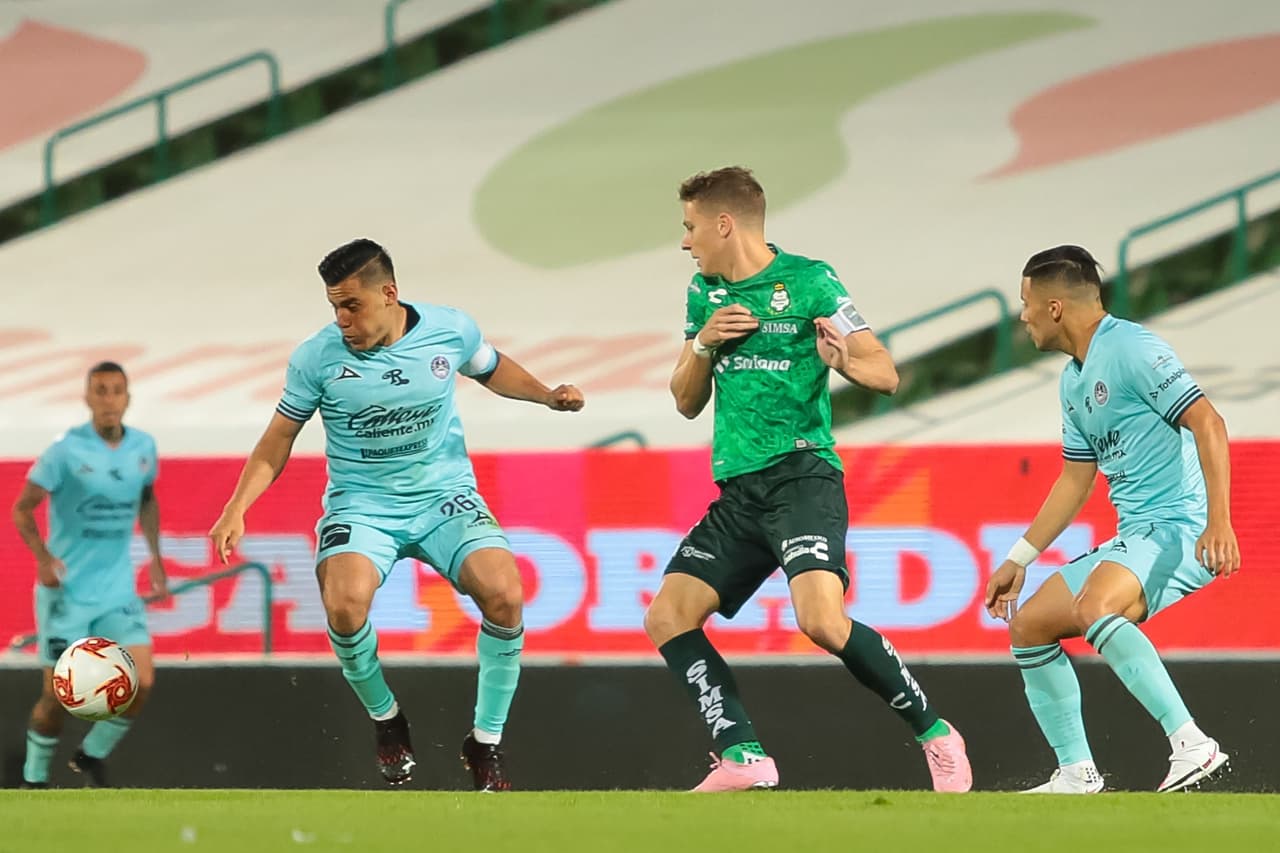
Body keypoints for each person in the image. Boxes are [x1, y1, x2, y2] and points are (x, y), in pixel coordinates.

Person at [208, 238, 583, 790]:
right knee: (344, 604)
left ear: (389, 294)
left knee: (505, 594)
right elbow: (277, 439)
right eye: (333, 307)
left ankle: (485, 745)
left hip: (444, 497)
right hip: (363, 505)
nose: (341, 320)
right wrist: (236, 506)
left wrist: (547, 395)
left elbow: (493, 369)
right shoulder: (317, 358)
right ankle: (388, 721)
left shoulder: (448, 329)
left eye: (351, 305)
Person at [644, 166, 973, 792]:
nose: (685, 242)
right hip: (739, 493)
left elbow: (886, 373)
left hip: (801, 478)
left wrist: (843, 359)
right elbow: (686, 401)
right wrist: (703, 345)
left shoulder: (811, 281)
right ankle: (742, 755)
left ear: (723, 223)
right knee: (667, 615)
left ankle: (936, 733)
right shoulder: (702, 294)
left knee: (821, 621)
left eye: (690, 228)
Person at [985, 244, 1239, 793]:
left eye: (1026, 302)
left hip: (1181, 529)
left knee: (1095, 605)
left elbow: (1209, 422)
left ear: (1054, 307)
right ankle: (1077, 773)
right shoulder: (1074, 380)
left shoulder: (1131, 347)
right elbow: (1075, 480)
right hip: (1137, 536)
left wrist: (1219, 522)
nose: (1022, 315)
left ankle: (1191, 744)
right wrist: (1018, 558)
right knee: (1030, 625)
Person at [13, 361, 167, 788]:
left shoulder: (143, 447)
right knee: (57, 695)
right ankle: (35, 780)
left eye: (116, 391)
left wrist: (155, 556)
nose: (109, 400)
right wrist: (43, 558)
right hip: (68, 592)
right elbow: (22, 509)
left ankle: (90, 756)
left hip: (117, 589)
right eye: (100, 391)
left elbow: (147, 499)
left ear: (128, 398)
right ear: (87, 398)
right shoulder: (65, 451)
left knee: (142, 681)